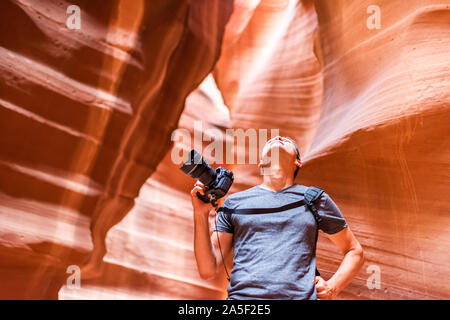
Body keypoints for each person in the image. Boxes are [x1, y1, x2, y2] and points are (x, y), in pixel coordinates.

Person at [190, 136, 364, 300]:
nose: (278, 138)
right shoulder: (234, 203)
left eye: (287, 141)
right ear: (261, 163)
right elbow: (208, 269)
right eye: (271, 141)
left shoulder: (313, 198)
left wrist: (333, 287)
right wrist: (200, 214)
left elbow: (354, 250)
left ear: (298, 162)